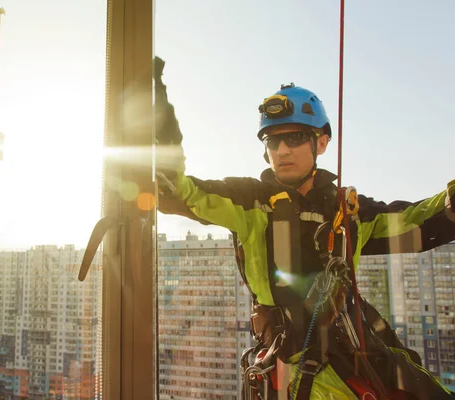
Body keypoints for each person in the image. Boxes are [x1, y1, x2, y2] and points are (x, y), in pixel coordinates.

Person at [154, 57, 455, 400]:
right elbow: (182, 191)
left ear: (321, 142)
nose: (281, 150)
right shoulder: (248, 203)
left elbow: (414, 221)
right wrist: (155, 104)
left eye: (295, 137)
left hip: (359, 348)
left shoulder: (347, 210)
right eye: (271, 141)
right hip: (291, 364)